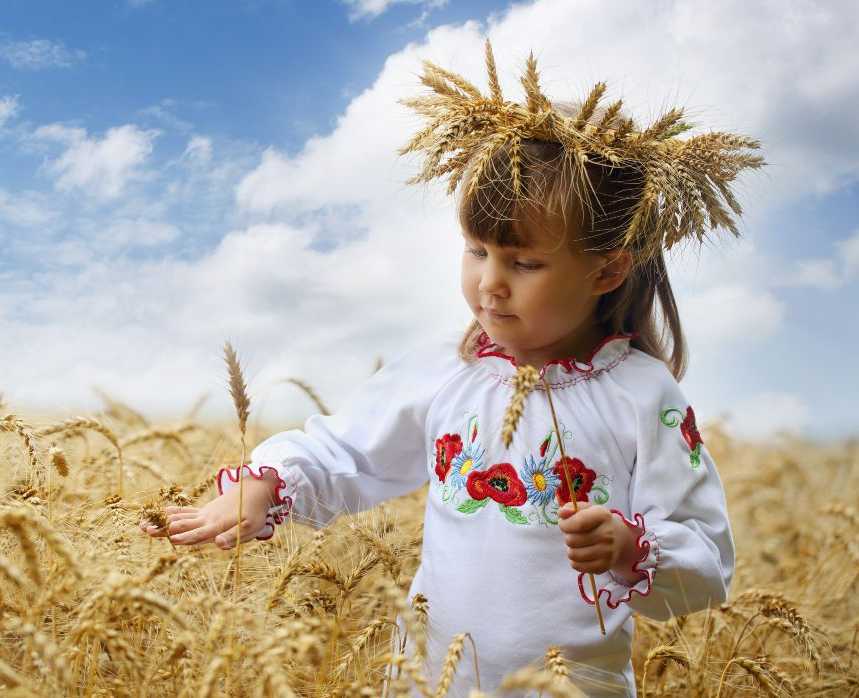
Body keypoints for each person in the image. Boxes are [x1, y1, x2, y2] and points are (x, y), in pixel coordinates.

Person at [141, 42, 761, 697]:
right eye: (476, 251)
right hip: (433, 680)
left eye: (524, 264)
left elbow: (707, 553)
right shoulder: (450, 367)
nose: (490, 284)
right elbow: (348, 450)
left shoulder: (643, 396)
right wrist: (266, 485)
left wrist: (631, 545)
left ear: (607, 269)